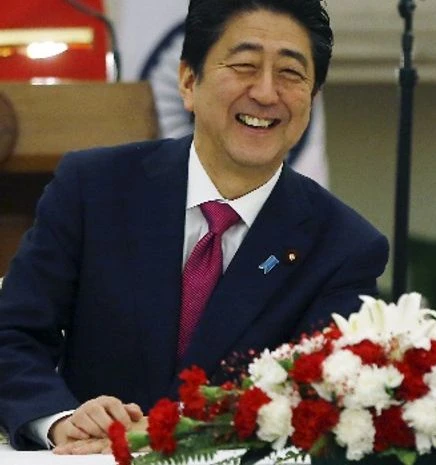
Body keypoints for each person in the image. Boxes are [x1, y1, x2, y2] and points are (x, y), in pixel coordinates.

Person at [0, 0, 388, 453]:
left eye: (290, 74)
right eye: (244, 66)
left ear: (312, 98)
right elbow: (12, 334)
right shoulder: (94, 189)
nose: (266, 93)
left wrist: (169, 436)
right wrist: (61, 418)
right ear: (188, 81)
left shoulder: (344, 247)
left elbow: (322, 401)